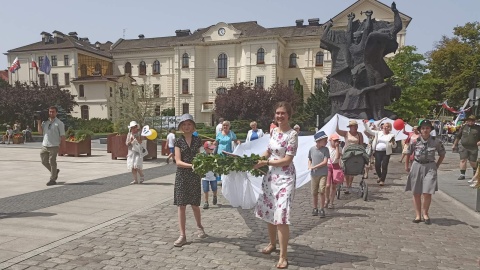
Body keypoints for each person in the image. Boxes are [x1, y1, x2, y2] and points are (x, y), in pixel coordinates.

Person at [253, 101, 298, 269]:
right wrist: (255, 159)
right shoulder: (273, 131)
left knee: (282, 216)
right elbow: (269, 150)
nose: (280, 116)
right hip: (271, 176)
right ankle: (272, 243)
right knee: (270, 212)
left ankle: (283, 256)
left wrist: (265, 161)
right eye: (277, 113)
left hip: (285, 178)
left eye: (283, 113)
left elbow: (287, 160)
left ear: (288, 115)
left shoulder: (292, 134)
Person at [173, 114, 207, 247]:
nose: (187, 127)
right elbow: (178, 161)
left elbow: (201, 155)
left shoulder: (198, 140)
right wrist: (192, 165)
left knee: (194, 205)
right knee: (181, 205)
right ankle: (182, 235)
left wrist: (204, 160)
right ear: (181, 127)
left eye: (189, 124)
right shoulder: (178, 141)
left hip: (194, 176)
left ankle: (199, 226)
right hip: (182, 175)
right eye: (184, 124)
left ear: (193, 126)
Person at [405, 120, 446, 225]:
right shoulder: (415, 141)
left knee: (427, 192)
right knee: (416, 192)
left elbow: (442, 154)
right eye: (423, 128)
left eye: (427, 128)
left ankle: (425, 213)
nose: (425, 130)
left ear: (430, 130)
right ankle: (418, 215)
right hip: (417, 165)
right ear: (420, 130)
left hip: (430, 166)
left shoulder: (436, 141)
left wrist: (436, 165)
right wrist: (407, 166)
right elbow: (408, 153)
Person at [37, 106, 65, 186]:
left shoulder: (59, 123)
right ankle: (55, 171)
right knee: (44, 161)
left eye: (53, 112)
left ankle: (52, 179)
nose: (51, 113)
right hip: (45, 145)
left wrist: (63, 147)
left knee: (52, 162)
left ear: (56, 113)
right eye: (50, 111)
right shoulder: (45, 122)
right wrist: (39, 122)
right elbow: (40, 132)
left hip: (54, 145)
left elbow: (62, 136)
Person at [364, 121, 397, 186]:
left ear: (389, 128)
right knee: (377, 165)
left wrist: (393, 142)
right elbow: (369, 131)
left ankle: (382, 180)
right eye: (384, 126)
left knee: (384, 165)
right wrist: (365, 124)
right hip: (378, 151)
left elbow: (394, 146)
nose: (385, 127)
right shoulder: (378, 133)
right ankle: (379, 176)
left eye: (387, 126)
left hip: (386, 152)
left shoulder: (391, 135)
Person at [336, 119, 364, 193]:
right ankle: (347, 184)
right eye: (353, 126)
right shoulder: (346, 133)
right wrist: (336, 122)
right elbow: (338, 131)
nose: (355, 127)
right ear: (350, 127)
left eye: (356, 126)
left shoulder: (359, 134)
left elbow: (361, 144)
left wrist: (362, 153)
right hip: (347, 152)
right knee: (346, 169)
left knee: (353, 168)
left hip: (355, 153)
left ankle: (350, 185)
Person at [308, 131, 330, 218]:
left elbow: (325, 162)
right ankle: (315, 208)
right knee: (314, 192)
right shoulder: (312, 149)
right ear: (318, 141)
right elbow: (310, 158)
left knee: (321, 190)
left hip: (323, 173)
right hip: (314, 174)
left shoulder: (326, 150)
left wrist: (314, 166)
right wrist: (309, 165)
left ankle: (322, 208)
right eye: (325, 140)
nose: (326, 142)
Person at [452, 115, 480, 180]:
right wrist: (454, 145)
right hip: (463, 146)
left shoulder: (478, 128)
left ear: (474, 121)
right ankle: (462, 174)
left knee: (472, 161)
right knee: (463, 160)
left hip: (473, 147)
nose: (470, 122)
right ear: (467, 121)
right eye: (469, 121)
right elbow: (458, 136)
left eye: (472, 121)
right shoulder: (464, 127)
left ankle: (475, 170)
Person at [326, 133, 342, 209]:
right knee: (327, 185)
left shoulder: (339, 148)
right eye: (334, 140)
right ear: (330, 140)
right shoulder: (327, 148)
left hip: (336, 166)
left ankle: (331, 202)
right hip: (328, 166)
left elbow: (337, 157)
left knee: (334, 186)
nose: (336, 142)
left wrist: (337, 148)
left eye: (337, 140)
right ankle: (327, 199)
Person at [202, 141, 218, 209]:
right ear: (205, 149)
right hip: (205, 176)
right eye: (210, 149)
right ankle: (206, 202)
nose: (212, 150)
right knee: (205, 189)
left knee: (214, 188)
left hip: (213, 176)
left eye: (212, 149)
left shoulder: (214, 156)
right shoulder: (202, 156)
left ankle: (215, 196)